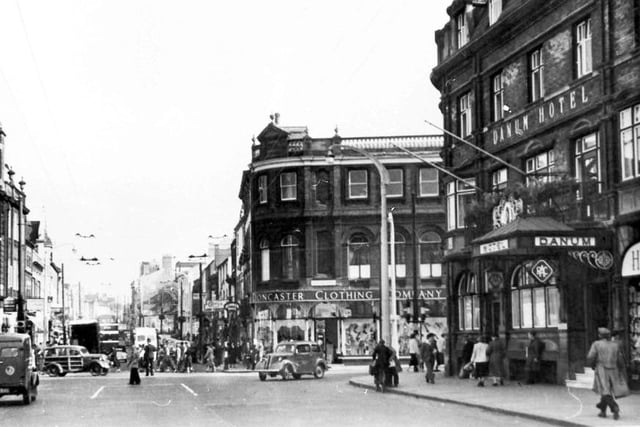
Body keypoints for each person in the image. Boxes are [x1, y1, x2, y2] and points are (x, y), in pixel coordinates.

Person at [587, 327, 629, 420]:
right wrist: (621, 370)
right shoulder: (615, 345)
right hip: (614, 369)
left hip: (601, 369)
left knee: (605, 390)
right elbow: (620, 360)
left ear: (600, 335)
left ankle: (614, 407)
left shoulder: (596, 344)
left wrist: (592, 365)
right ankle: (602, 410)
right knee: (606, 390)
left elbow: (590, 356)